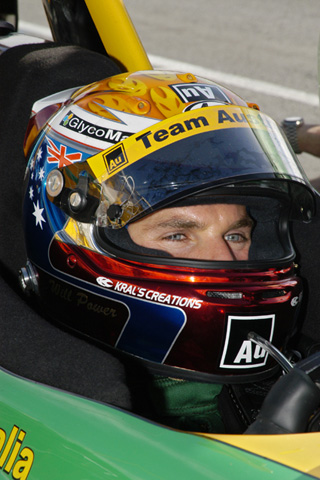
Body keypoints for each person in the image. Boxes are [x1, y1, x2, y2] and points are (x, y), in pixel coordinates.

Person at [0, 40, 318, 434]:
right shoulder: (78, 405)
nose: (223, 259)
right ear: (80, 241)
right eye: (179, 235)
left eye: (236, 234)